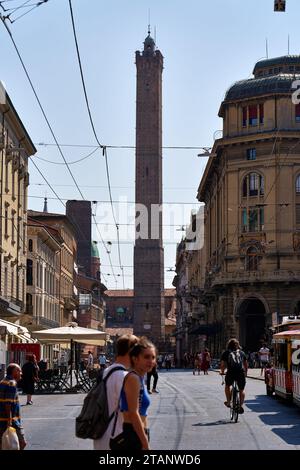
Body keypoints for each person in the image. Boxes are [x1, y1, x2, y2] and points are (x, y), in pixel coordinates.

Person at [93, 334, 138, 450]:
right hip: (119, 437)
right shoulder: (127, 377)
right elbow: (132, 413)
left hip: (101, 435)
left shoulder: (104, 373)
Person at [117, 337, 156, 450]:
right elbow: (133, 413)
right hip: (133, 434)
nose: (151, 361)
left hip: (138, 432)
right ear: (135, 359)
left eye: (153, 357)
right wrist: (145, 443)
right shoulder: (133, 378)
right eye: (146, 357)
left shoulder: (139, 378)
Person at [0, 363, 26, 450]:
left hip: (3, 419)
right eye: (18, 370)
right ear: (13, 372)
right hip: (11, 421)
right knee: (21, 443)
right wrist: (9, 421)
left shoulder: (4, 381)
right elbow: (8, 403)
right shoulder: (11, 383)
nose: (21, 373)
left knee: (5, 444)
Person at [220, 338, 248, 414]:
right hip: (240, 373)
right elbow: (245, 364)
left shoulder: (226, 353)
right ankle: (241, 405)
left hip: (231, 373)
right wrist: (245, 373)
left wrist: (222, 372)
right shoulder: (242, 353)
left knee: (227, 386)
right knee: (241, 390)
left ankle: (229, 402)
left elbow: (223, 365)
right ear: (237, 345)